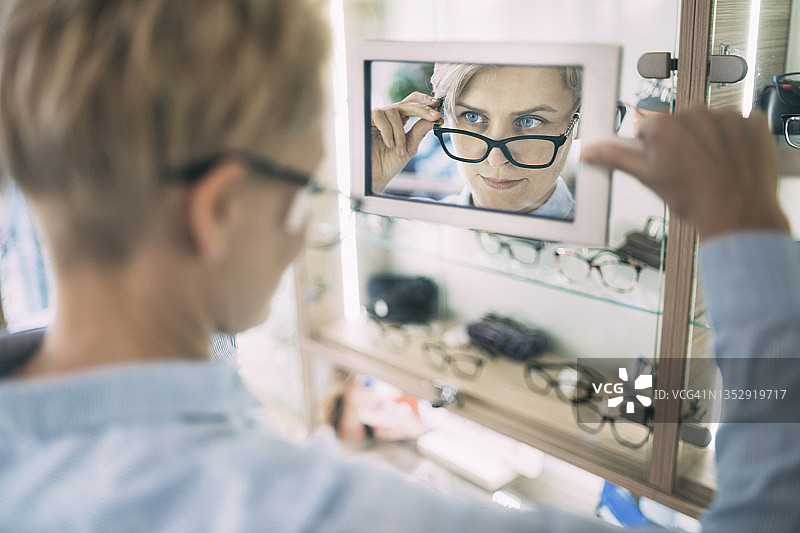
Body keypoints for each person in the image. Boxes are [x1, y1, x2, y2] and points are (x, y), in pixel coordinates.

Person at [0, 0, 798, 531]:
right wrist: (749, 226)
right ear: (216, 212)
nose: (300, 231)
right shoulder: (324, 512)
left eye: (529, 125)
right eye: (307, 185)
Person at [371, 64, 581, 218]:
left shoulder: (606, 251)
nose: (496, 159)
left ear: (578, 123)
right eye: (473, 117)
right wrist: (372, 178)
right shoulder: (417, 226)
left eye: (530, 121)